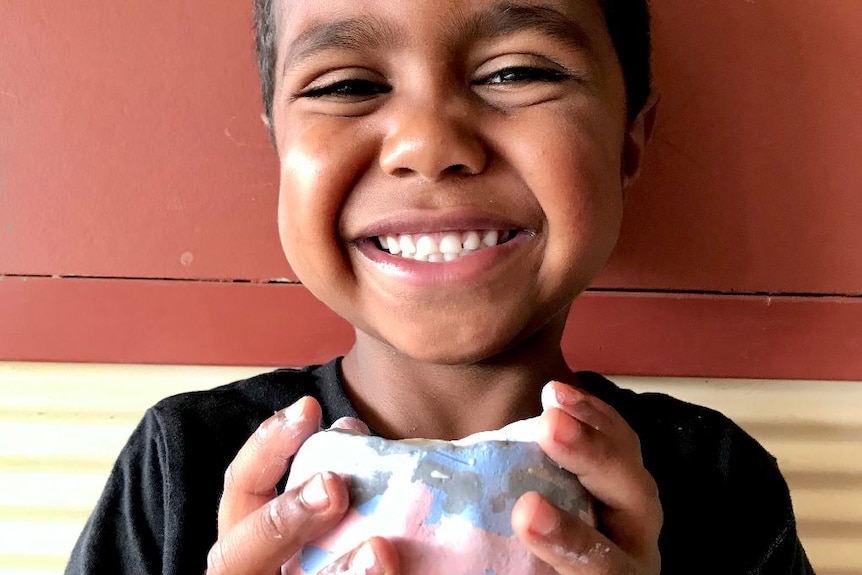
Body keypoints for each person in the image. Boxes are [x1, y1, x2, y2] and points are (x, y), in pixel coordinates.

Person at [65, 0, 815, 574]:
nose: (429, 144)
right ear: (279, 146)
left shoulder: (716, 482)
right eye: (349, 83)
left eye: (518, 72)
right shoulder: (185, 467)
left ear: (628, 141)